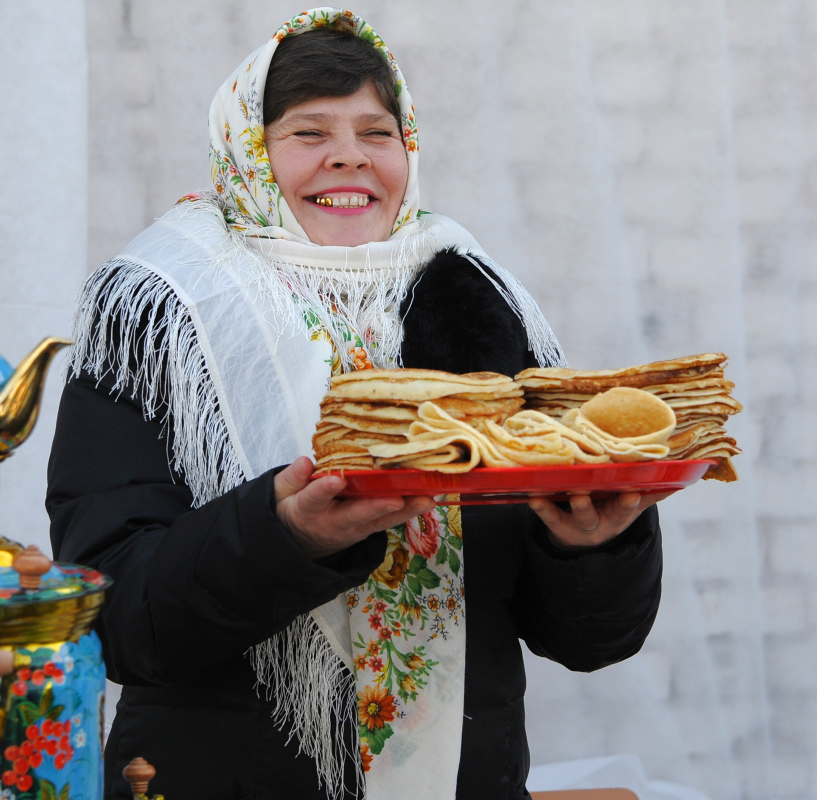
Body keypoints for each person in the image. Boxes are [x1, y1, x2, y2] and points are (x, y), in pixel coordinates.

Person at [47, 9, 665, 799]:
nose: (349, 156)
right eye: (309, 134)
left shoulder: (476, 299)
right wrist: (284, 536)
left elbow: (588, 641)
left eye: (377, 132)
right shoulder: (161, 314)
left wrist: (594, 546)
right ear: (248, 152)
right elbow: (116, 623)